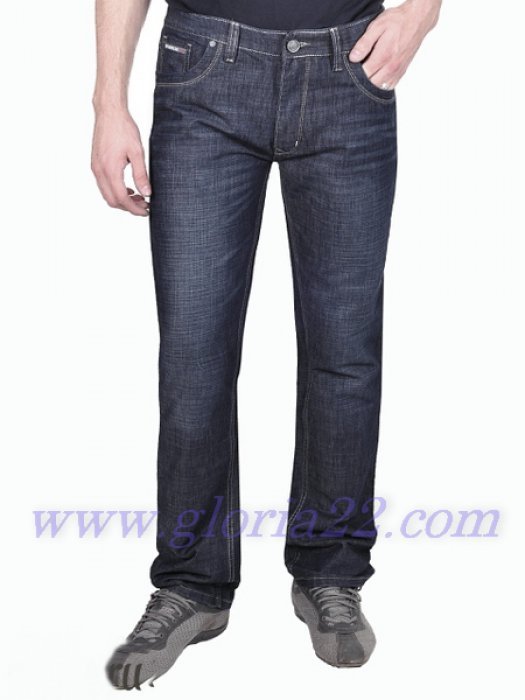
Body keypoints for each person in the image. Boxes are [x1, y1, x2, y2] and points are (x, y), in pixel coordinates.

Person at [91, 0, 441, 689]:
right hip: (203, 72)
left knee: (344, 355)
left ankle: (330, 572)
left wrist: (424, 12)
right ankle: (191, 583)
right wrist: (108, 103)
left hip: (350, 72)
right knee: (193, 357)